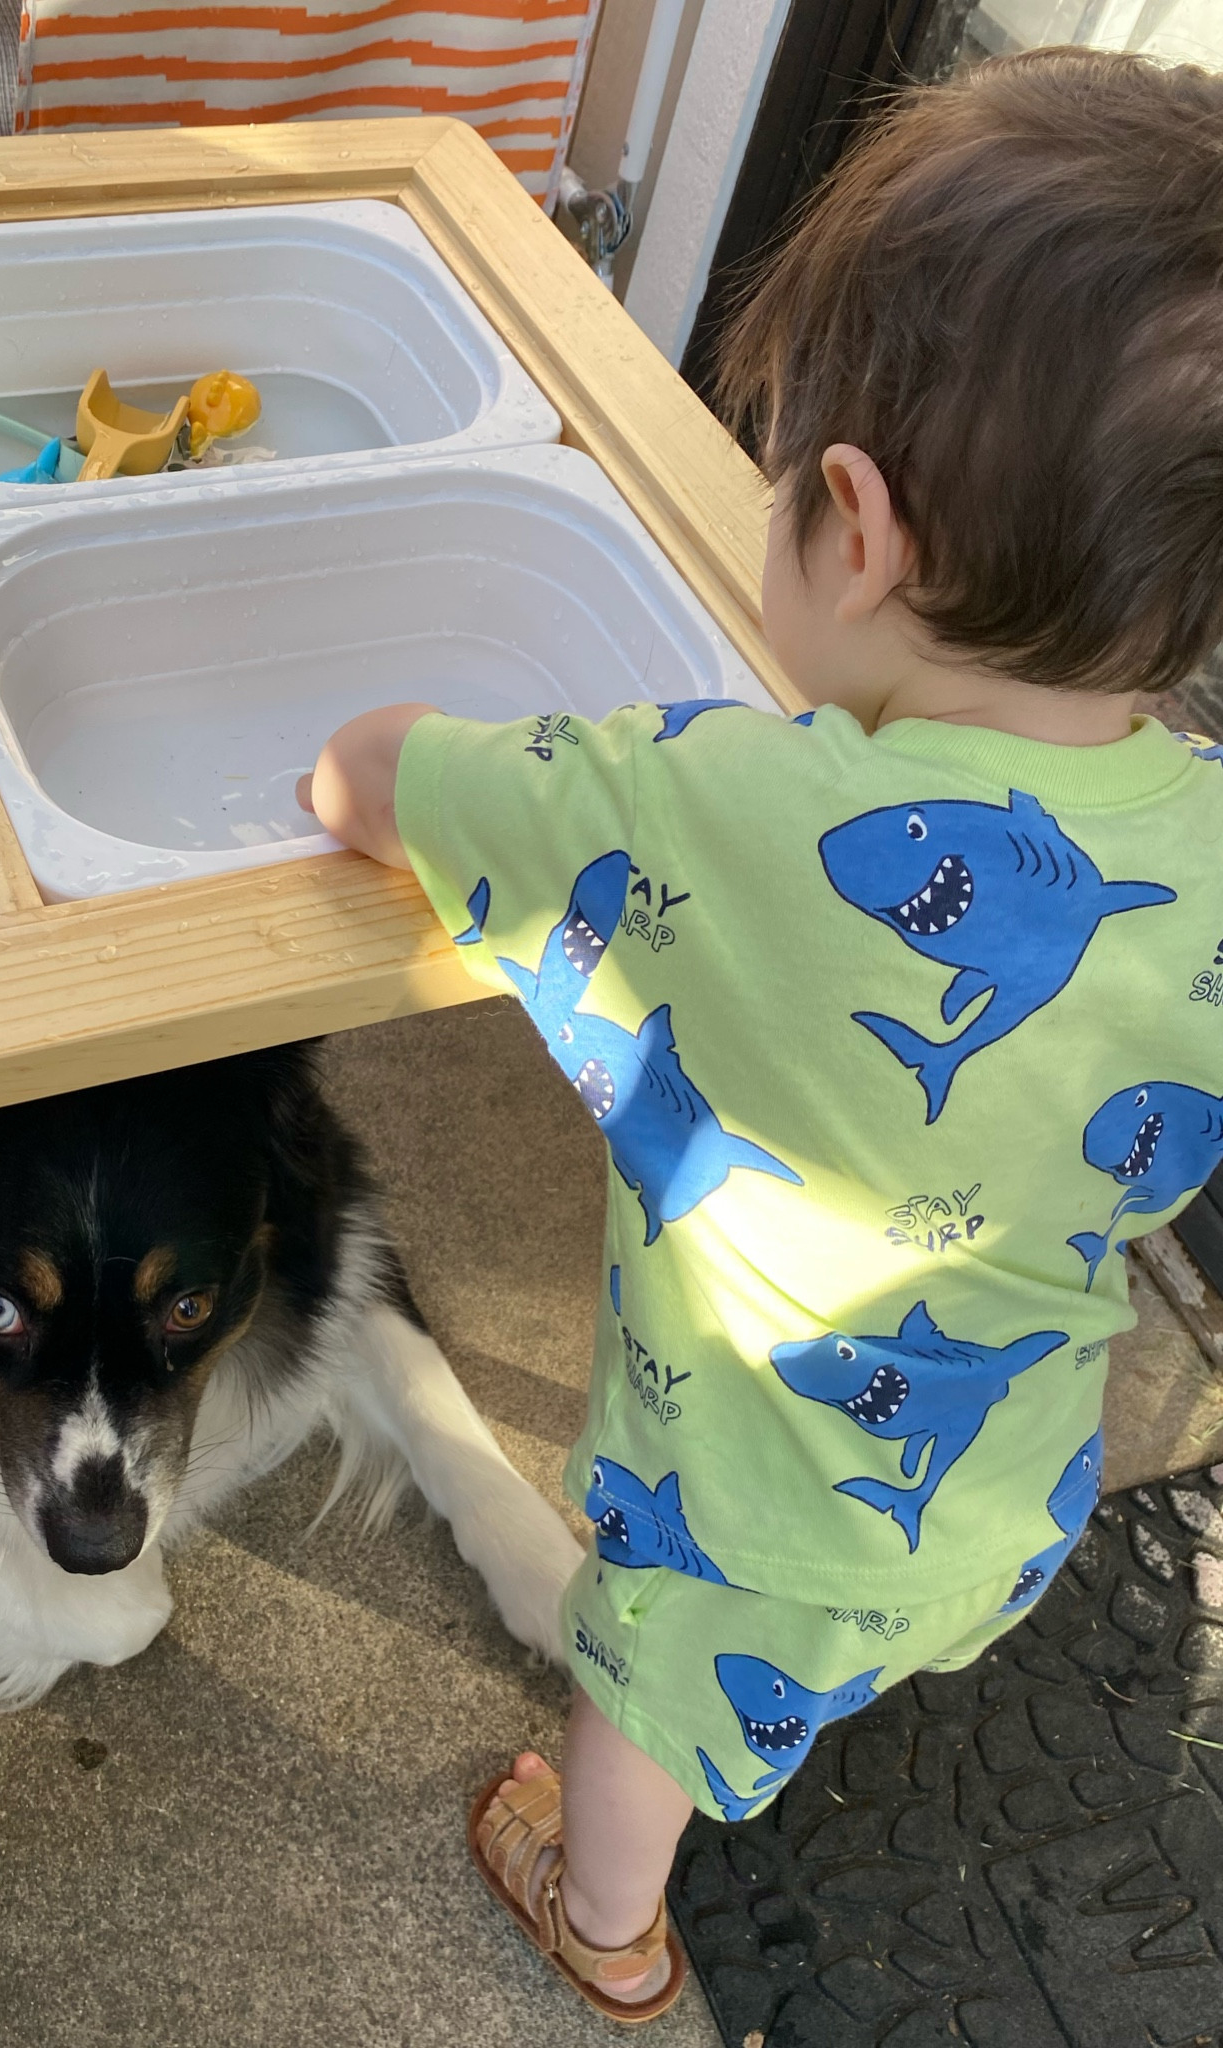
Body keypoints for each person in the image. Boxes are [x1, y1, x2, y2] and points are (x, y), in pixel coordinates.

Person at [295, 47, 1223, 2022]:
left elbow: (402, 784)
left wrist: (359, 765)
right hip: (1022, 1478)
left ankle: (608, 1920)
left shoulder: (723, 802)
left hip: (738, 1515)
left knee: (651, 1694)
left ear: (861, 530)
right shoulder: (1208, 840)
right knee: (860, 1620)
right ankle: (829, 1676)